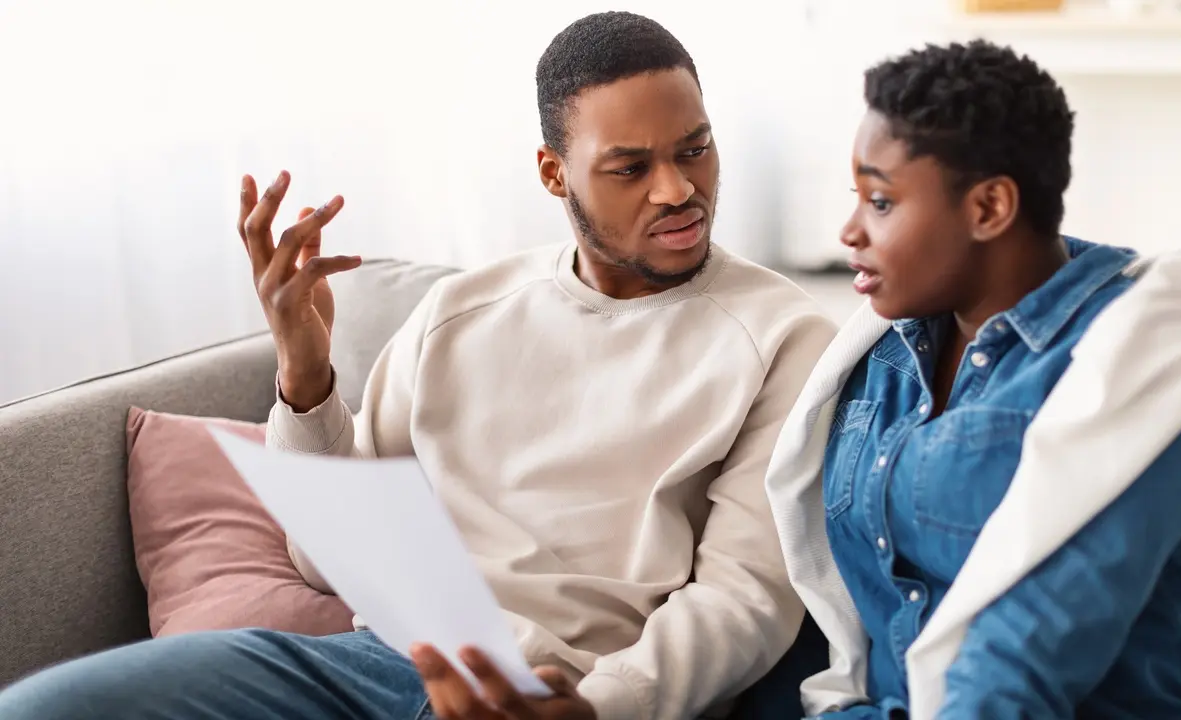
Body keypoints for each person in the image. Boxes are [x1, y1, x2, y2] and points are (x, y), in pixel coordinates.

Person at [0, 12, 837, 720]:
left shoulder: (783, 337)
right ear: (555, 174)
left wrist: (590, 709)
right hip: (373, 667)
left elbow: (747, 599)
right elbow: (325, 563)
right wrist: (306, 374)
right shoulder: (457, 316)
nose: (677, 191)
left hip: (562, 693)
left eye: (695, 150)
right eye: (631, 167)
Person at [764, 39, 1181, 718]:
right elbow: (852, 620)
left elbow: (1022, 661)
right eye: (855, 197)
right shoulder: (883, 360)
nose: (849, 231)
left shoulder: (1151, 374)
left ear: (988, 209)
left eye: (881, 201)